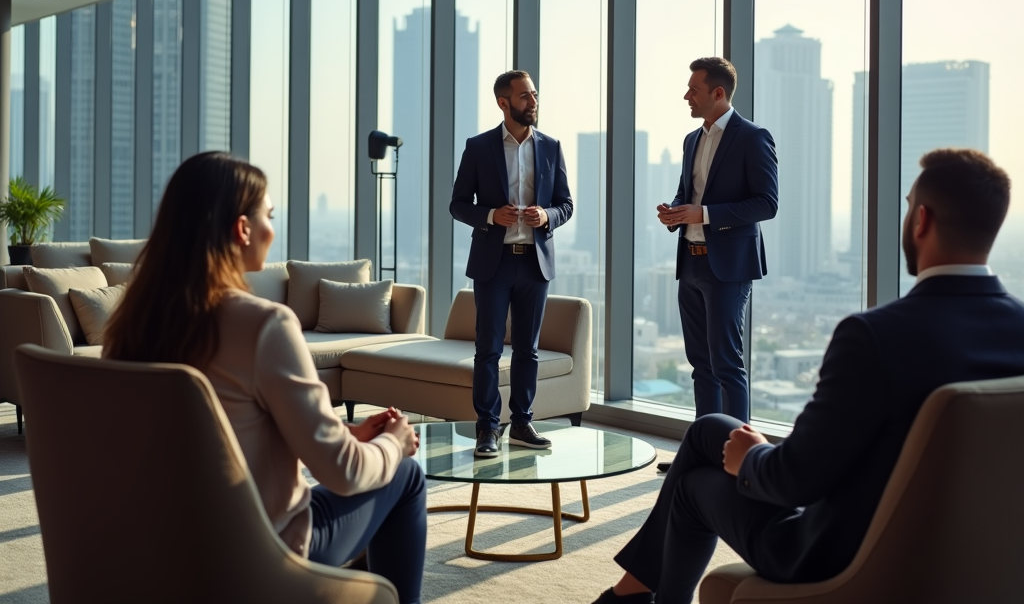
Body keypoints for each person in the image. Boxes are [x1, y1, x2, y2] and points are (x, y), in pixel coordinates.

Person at [591, 147, 1024, 604]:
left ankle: (632, 597)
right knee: (709, 430)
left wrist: (752, 460)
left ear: (921, 221)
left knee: (696, 483)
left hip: (840, 553)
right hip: (963, 548)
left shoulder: (875, 336)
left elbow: (795, 482)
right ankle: (630, 595)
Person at [103, 152, 426, 604]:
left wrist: (345, 432)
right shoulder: (262, 325)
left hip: (164, 551)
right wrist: (392, 442)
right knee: (405, 475)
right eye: (269, 216)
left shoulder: (131, 329)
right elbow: (343, 473)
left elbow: (224, 433)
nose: (273, 229)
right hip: (258, 559)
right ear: (242, 229)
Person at [450, 70, 573, 457]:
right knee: (488, 349)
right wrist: (490, 216)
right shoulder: (479, 147)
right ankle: (488, 427)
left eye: (534, 94)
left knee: (527, 349)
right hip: (494, 262)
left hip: (535, 263)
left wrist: (547, 216)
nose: (532, 102)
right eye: (524, 96)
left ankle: (522, 423)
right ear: (504, 103)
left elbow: (566, 204)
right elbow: (458, 204)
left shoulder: (551, 147)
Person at [657, 57, 779, 425]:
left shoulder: (753, 137)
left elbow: (767, 204)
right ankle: (703, 450)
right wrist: (676, 212)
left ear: (718, 92)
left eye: (693, 90)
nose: (686, 96)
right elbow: (687, 193)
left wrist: (704, 214)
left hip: (728, 267)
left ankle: (734, 458)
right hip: (690, 263)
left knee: (727, 365)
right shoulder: (691, 139)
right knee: (700, 366)